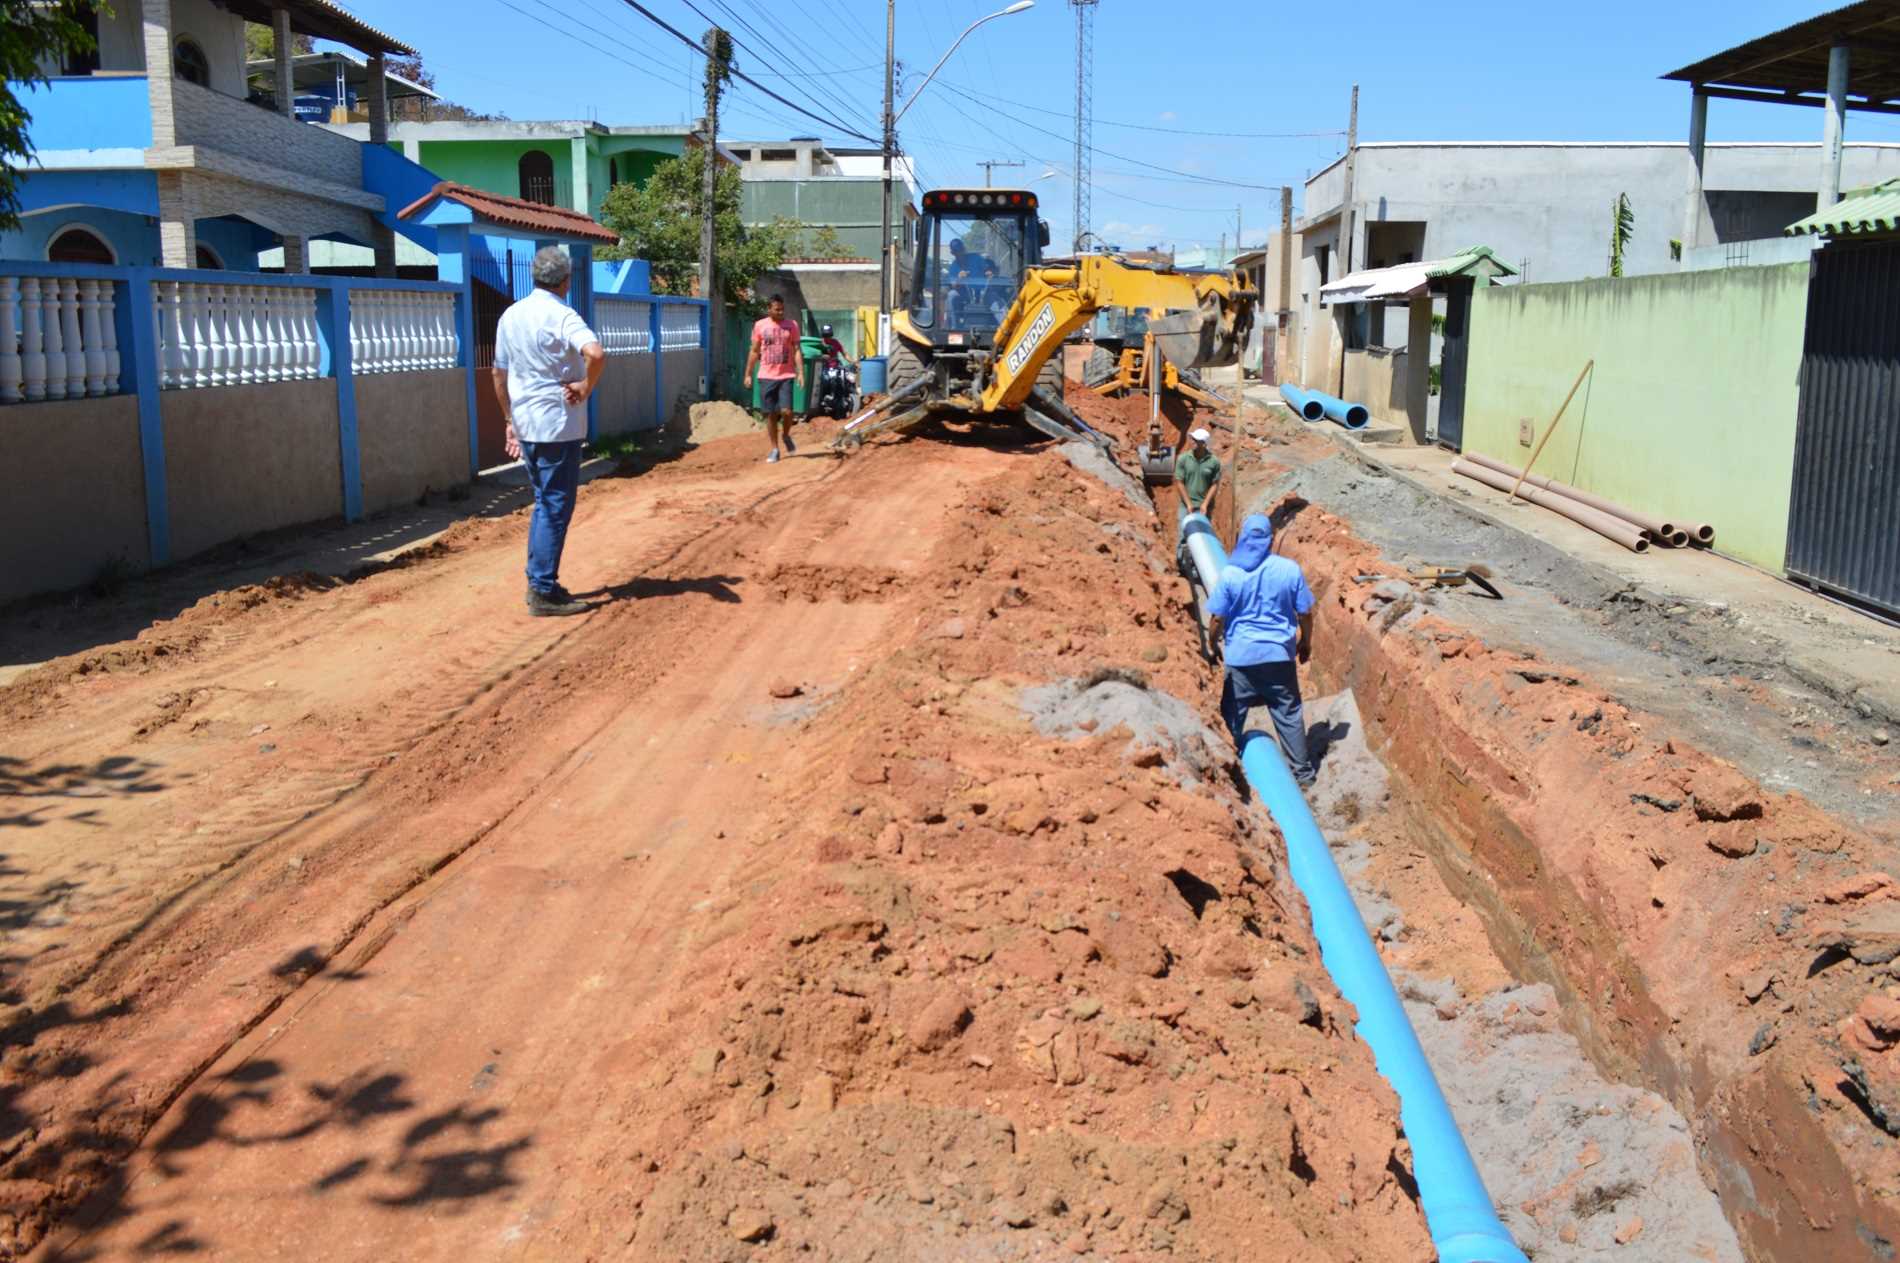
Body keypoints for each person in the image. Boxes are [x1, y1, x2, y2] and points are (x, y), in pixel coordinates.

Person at [495, 246, 605, 617]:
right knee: (555, 506)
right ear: (566, 280)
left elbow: (499, 373)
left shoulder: (511, 316)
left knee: (544, 503)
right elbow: (596, 353)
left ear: (534, 276)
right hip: (558, 425)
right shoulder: (562, 315)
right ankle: (542, 588)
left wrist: (509, 420)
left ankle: (540, 581)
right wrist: (584, 387)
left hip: (526, 423)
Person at [1206, 513, 1317, 787]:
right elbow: (1305, 612)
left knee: (1232, 712)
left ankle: (1228, 772)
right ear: (1270, 539)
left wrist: (1211, 644)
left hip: (1241, 657)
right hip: (1279, 656)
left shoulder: (1231, 573)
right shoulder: (1289, 569)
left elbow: (1217, 618)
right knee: (1288, 713)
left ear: (1243, 538)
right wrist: (1305, 642)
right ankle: (1302, 776)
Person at [744, 294, 804, 463]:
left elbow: (797, 350)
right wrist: (748, 374)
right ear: (769, 309)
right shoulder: (760, 326)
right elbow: (754, 351)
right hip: (766, 376)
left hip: (786, 375)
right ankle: (774, 449)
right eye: (777, 309)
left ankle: (785, 435)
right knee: (770, 414)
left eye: (782, 309)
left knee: (787, 411)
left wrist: (801, 373)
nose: (780, 312)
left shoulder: (792, 325)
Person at [1175, 427, 1221, 515]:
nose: (1192, 441)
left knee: (1202, 528)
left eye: (1196, 440)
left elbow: (1214, 484)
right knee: (1184, 528)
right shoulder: (1183, 459)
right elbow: (1179, 482)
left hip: (1204, 507)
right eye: (1193, 439)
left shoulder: (1214, 462)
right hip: (1185, 505)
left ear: (1204, 444)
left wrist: (1205, 504)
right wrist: (1188, 504)